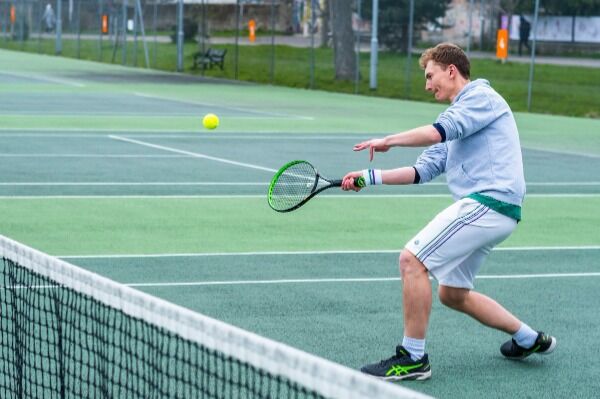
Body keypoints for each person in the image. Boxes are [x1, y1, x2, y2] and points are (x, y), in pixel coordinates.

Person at [341, 43, 556, 381]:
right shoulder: (455, 121)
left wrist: (389, 140)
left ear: (451, 70)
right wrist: (368, 177)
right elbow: (420, 171)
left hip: (489, 202)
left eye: (430, 76)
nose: (428, 85)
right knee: (452, 293)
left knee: (411, 260)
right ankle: (528, 338)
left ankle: (412, 358)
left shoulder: (479, 99)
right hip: (496, 211)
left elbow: (436, 130)